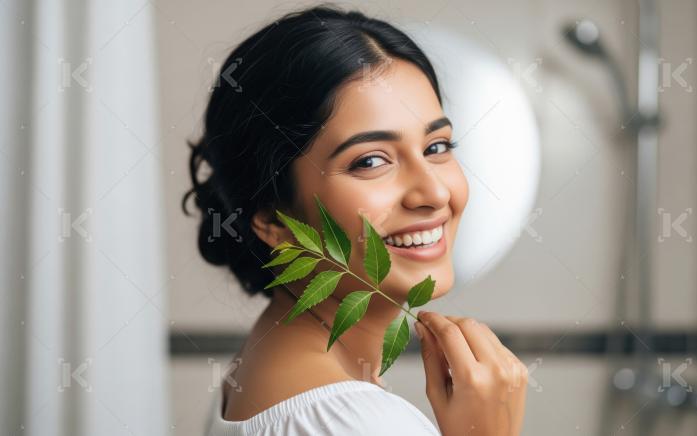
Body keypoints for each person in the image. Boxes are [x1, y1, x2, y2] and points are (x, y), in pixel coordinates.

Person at [182, 4, 528, 435]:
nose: (435, 193)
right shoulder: (361, 423)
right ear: (273, 219)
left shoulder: (261, 365)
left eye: (436, 147)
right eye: (370, 160)